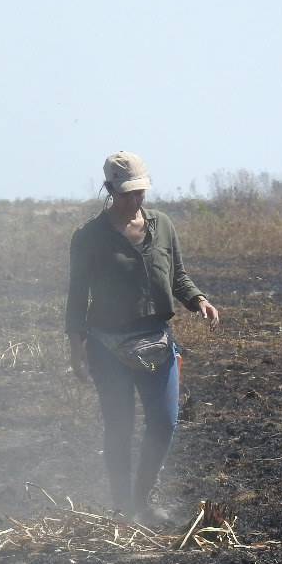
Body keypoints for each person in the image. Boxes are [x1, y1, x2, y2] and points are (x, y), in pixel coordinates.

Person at [65, 151, 220, 521]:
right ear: (110, 189)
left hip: (156, 340)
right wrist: (76, 346)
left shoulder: (162, 225)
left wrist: (199, 300)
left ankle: (142, 500)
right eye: (126, 194)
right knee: (119, 425)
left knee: (165, 421)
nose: (134, 201)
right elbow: (77, 295)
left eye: (140, 193)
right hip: (106, 343)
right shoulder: (88, 236)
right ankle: (121, 506)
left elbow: (177, 276)